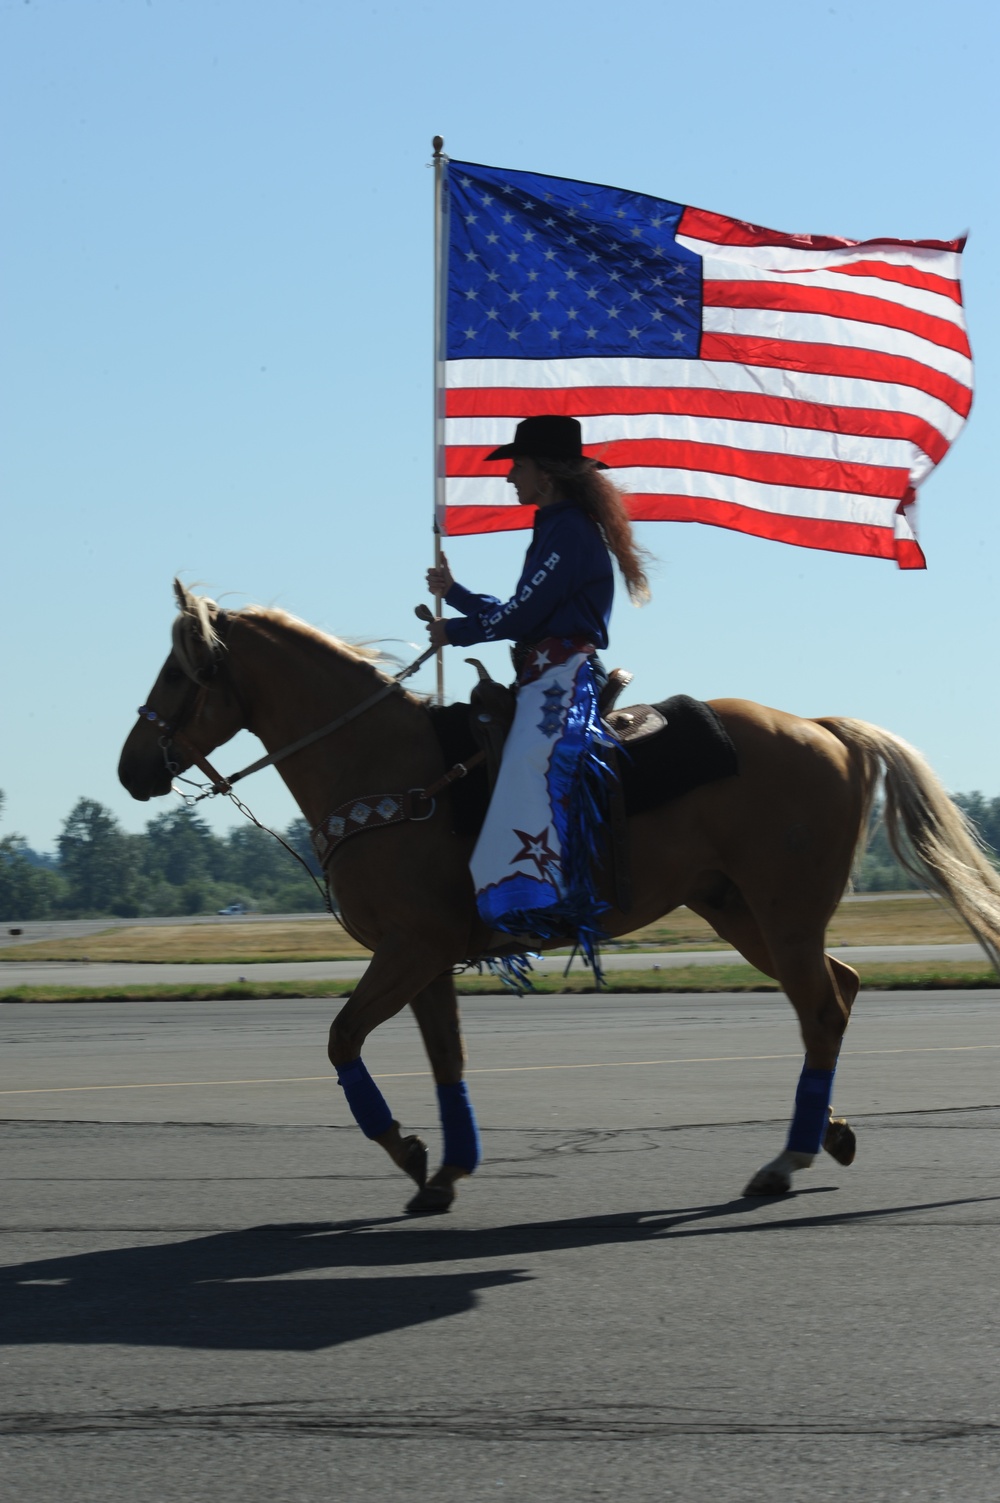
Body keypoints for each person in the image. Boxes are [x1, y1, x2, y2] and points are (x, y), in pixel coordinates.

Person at [425, 415, 651, 966]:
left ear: (545, 474)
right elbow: (524, 610)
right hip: (542, 669)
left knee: (529, 759)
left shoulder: (569, 529)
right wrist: (455, 596)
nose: (510, 479)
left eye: (517, 467)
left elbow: (523, 613)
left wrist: (454, 629)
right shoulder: (556, 526)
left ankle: (537, 901)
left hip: (563, 675)